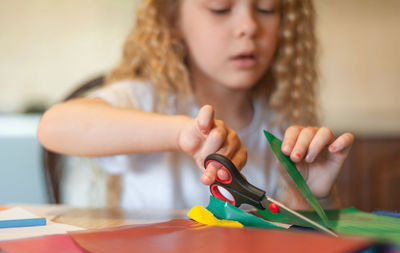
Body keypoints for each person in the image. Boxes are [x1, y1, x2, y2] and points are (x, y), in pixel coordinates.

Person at [37, 0, 354, 210]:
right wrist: (179, 134)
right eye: (219, 8)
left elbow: (297, 245)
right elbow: (54, 126)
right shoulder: (145, 100)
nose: (249, 26)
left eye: (267, 8)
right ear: (173, 20)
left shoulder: (282, 122)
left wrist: (308, 193)